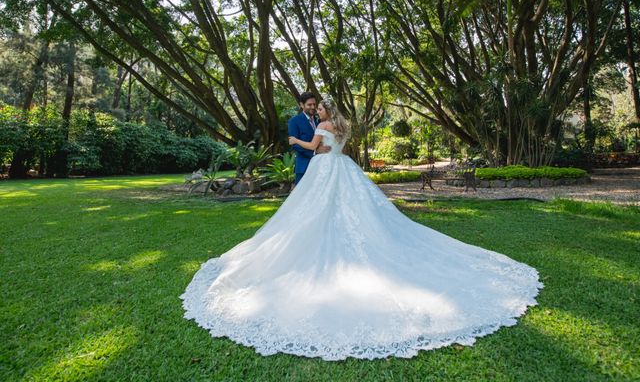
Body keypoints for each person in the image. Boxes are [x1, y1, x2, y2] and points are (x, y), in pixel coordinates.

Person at [181, 98, 542, 361]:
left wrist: (294, 142)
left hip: (324, 170)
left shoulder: (322, 128)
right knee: (352, 210)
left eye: (319, 109)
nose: (317, 113)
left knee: (313, 212)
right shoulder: (343, 127)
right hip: (344, 168)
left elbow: (312, 148)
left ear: (325, 112)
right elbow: (335, 149)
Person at [287, 92, 328, 185]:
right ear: (301, 105)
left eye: (314, 104)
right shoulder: (294, 121)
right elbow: (294, 144)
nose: (313, 107)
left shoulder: (320, 120)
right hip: (304, 166)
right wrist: (315, 151)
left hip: (321, 166)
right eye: (309, 104)